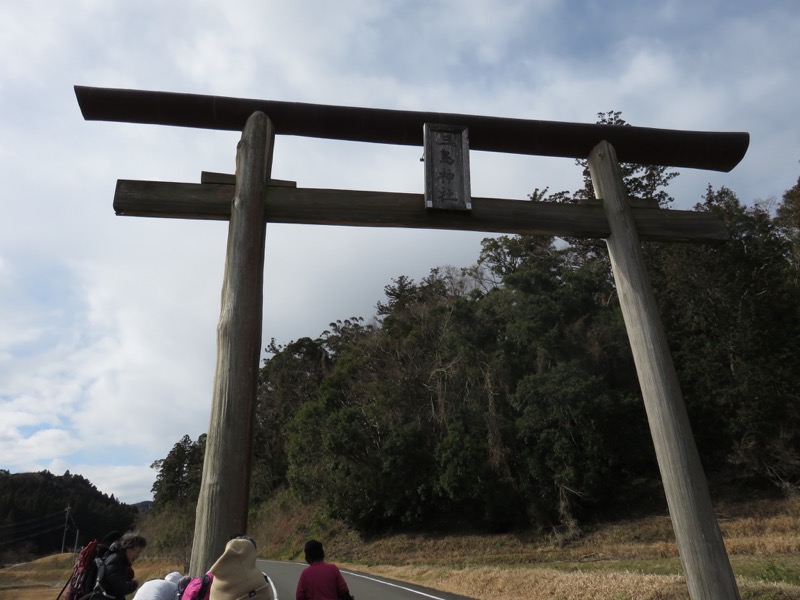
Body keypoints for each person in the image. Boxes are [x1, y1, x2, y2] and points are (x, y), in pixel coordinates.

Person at [95, 532, 148, 600]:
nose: (138, 556)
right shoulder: (116, 561)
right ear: (129, 548)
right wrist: (134, 584)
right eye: (138, 552)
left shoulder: (119, 560)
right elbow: (120, 588)